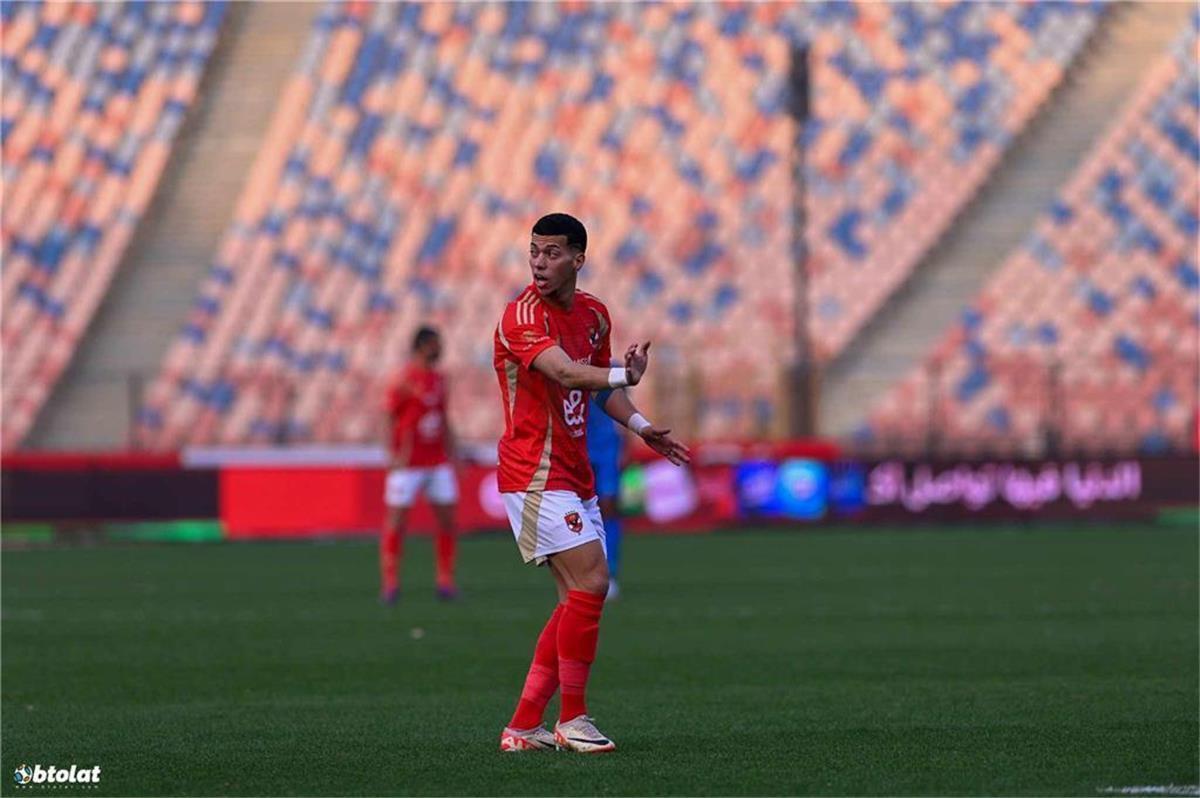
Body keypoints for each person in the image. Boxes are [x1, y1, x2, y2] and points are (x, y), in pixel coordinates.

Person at [493, 213, 690, 753]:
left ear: (578, 259)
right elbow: (566, 373)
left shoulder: (594, 313)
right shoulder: (521, 316)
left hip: (573, 471)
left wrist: (644, 427)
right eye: (534, 250)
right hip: (533, 471)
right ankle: (572, 719)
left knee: (574, 599)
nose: (538, 261)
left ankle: (524, 725)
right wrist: (624, 374)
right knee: (594, 582)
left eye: (552, 252)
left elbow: (599, 389)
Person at [380, 326, 459, 605]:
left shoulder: (439, 379)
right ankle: (390, 582)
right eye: (436, 344)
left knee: (447, 520)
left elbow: (444, 417)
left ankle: (445, 580)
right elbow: (388, 417)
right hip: (408, 462)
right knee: (397, 520)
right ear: (423, 346)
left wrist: (454, 451)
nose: (440, 350)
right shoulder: (403, 380)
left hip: (437, 460)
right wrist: (392, 454)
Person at [587, 395, 624, 600]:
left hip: (607, 445)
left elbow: (622, 404)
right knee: (579, 508)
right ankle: (585, 572)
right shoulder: (568, 363)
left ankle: (610, 572)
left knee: (608, 507)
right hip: (577, 441)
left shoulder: (614, 369)